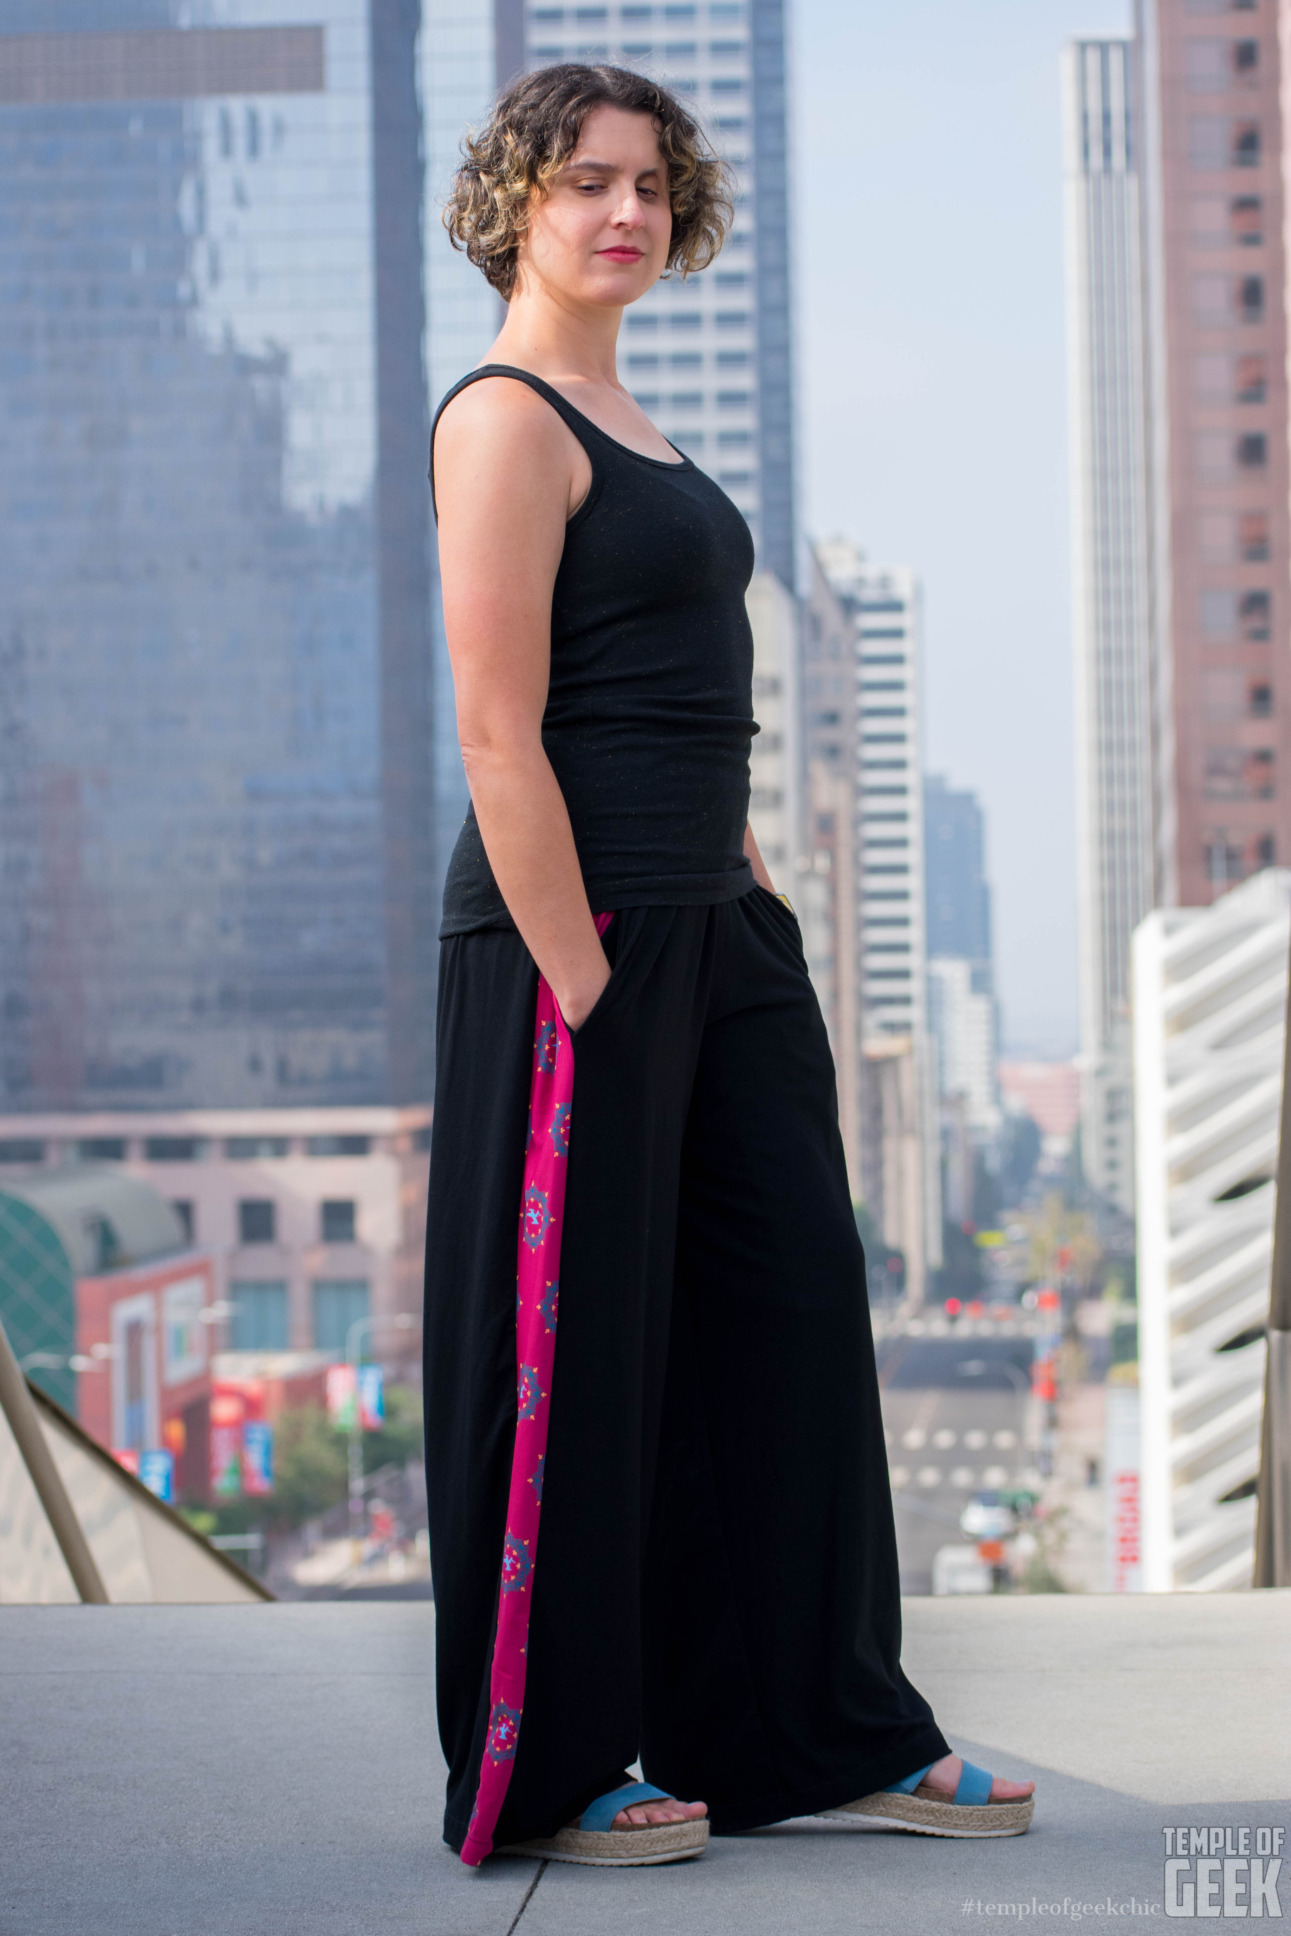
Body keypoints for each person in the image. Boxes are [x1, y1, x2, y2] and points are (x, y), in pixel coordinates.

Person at [423, 62, 1035, 1869]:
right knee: (576, 1363)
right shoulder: (509, 419)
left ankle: (820, 1728)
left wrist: (753, 906)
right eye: (586, 182)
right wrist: (590, 991)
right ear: (514, 206)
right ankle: (549, 1771)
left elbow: (704, 714)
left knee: (784, 1330)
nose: (626, 212)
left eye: (650, 186)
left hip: (717, 928)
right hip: (576, 939)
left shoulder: (637, 419)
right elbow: (496, 733)